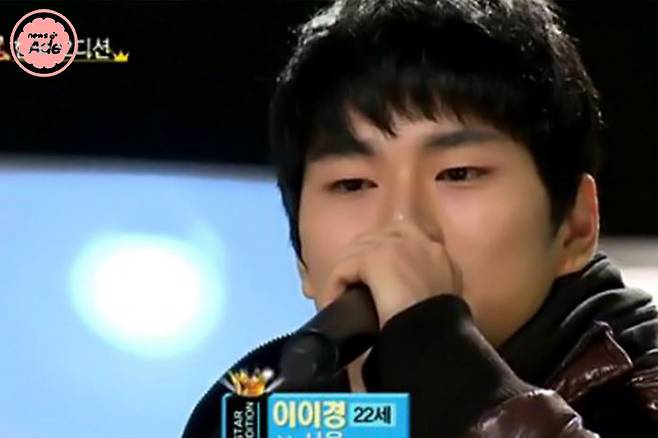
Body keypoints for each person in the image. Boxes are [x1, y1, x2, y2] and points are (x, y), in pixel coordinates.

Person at [183, 0, 658, 436]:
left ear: (576, 223)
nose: (402, 224)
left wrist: (443, 363)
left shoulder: (642, 382)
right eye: (352, 184)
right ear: (302, 257)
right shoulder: (258, 409)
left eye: (458, 174)